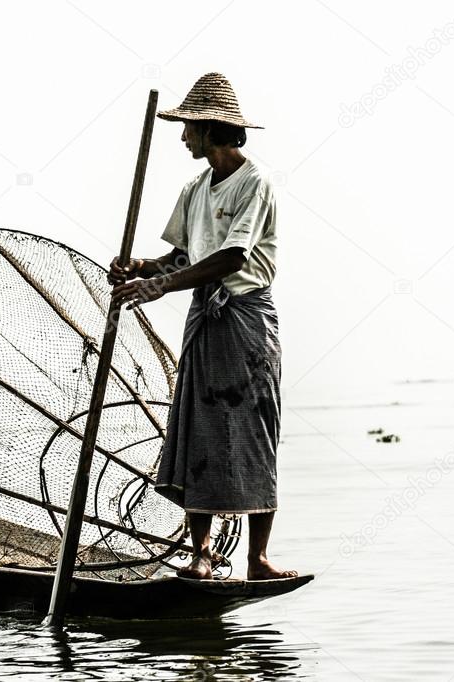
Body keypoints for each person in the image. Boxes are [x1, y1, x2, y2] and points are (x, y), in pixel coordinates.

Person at [109, 72, 297, 581]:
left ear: (211, 130)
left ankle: (257, 560)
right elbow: (183, 256)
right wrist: (144, 269)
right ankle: (201, 555)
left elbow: (233, 256)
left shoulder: (255, 182)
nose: (182, 136)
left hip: (244, 318)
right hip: (204, 318)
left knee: (254, 428)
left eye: (188, 127)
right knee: (199, 428)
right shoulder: (195, 188)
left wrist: (162, 287)